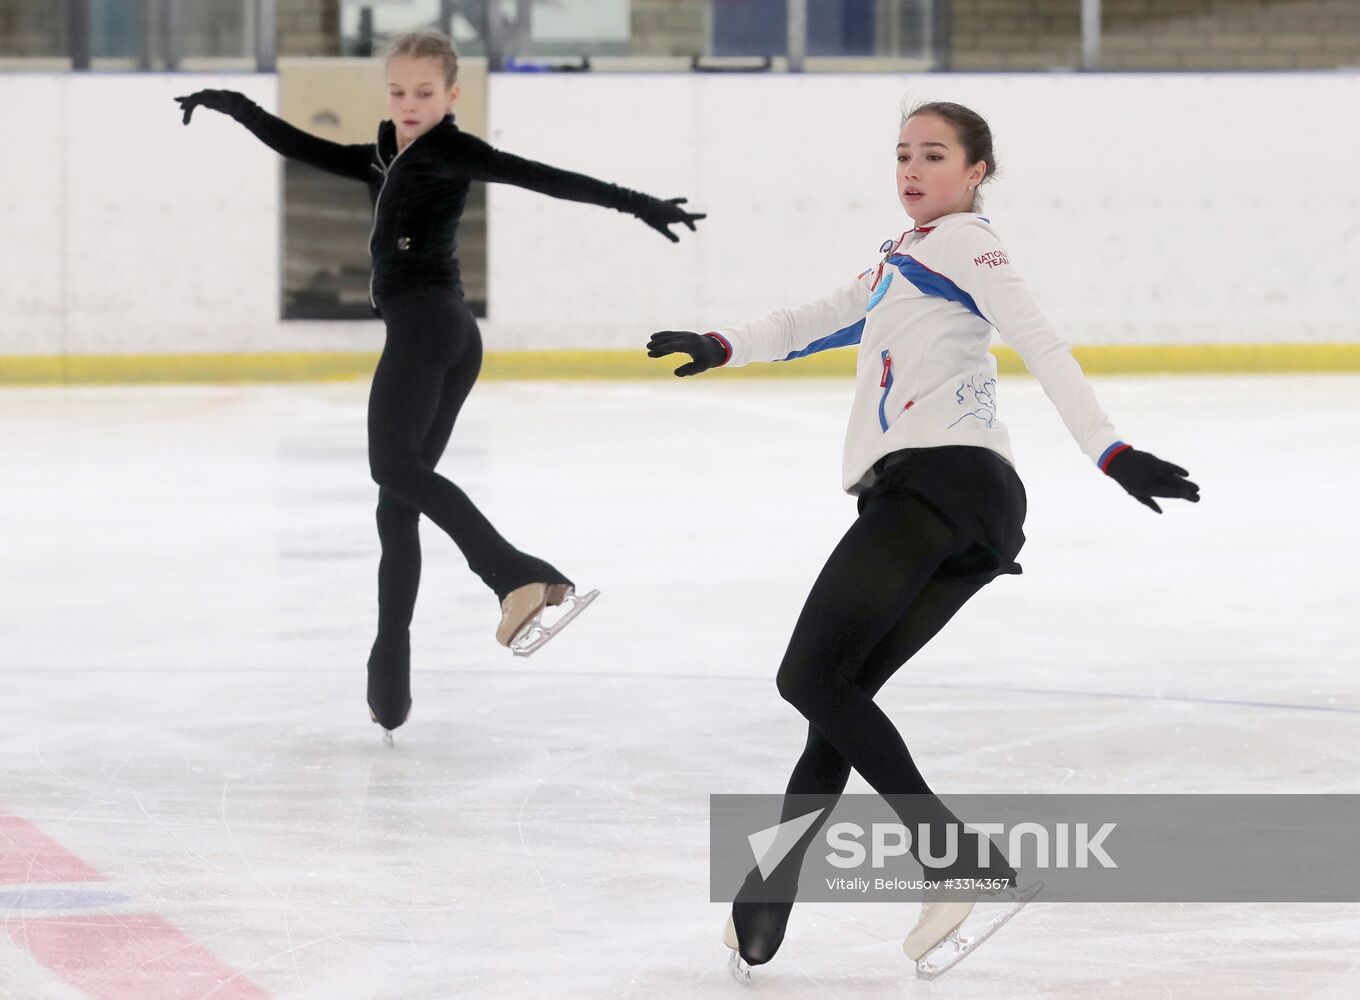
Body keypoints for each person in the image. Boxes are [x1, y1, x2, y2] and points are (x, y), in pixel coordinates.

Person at [646, 100, 1198, 979]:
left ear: (976, 171)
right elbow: (812, 321)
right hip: (961, 503)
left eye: (933, 156)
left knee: (809, 677)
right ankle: (766, 899)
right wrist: (721, 343)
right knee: (841, 697)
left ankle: (954, 858)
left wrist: (1111, 451)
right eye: (903, 155)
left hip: (936, 484)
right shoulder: (906, 257)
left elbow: (1040, 340)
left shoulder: (968, 245)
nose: (912, 171)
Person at [175, 30, 704, 742]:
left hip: (429, 329)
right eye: (398, 92)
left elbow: (544, 176)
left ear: (452, 96)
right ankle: (390, 673)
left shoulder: (451, 149)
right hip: (446, 334)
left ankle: (511, 574)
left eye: (425, 93)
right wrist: (235, 104)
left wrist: (639, 203)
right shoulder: (385, 155)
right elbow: (305, 148)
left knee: (392, 469)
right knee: (398, 505)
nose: (410, 104)